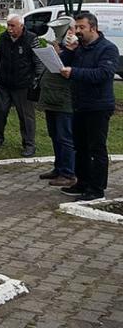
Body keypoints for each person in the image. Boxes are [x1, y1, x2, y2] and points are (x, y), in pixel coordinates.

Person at [60, 12, 120, 201]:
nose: (77, 31)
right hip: (79, 104)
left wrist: (74, 72)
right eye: (76, 27)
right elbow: (64, 65)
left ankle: (96, 189)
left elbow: (103, 74)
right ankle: (82, 182)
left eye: (81, 27)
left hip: (99, 106)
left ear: (93, 28)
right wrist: (69, 51)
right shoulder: (79, 48)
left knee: (96, 148)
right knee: (80, 146)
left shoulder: (107, 49)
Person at [0, 14, 43, 157]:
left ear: (21, 26)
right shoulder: (3, 37)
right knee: (0, 112)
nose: (9, 29)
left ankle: (29, 144)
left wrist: (36, 80)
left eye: (12, 26)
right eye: (8, 25)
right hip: (4, 83)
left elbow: (38, 61)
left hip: (23, 84)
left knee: (26, 117)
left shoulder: (32, 39)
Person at [37, 21, 76, 188]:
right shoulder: (61, 46)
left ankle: (68, 172)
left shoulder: (75, 48)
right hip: (52, 98)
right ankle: (59, 167)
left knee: (64, 137)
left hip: (64, 100)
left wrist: (64, 53)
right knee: (55, 135)